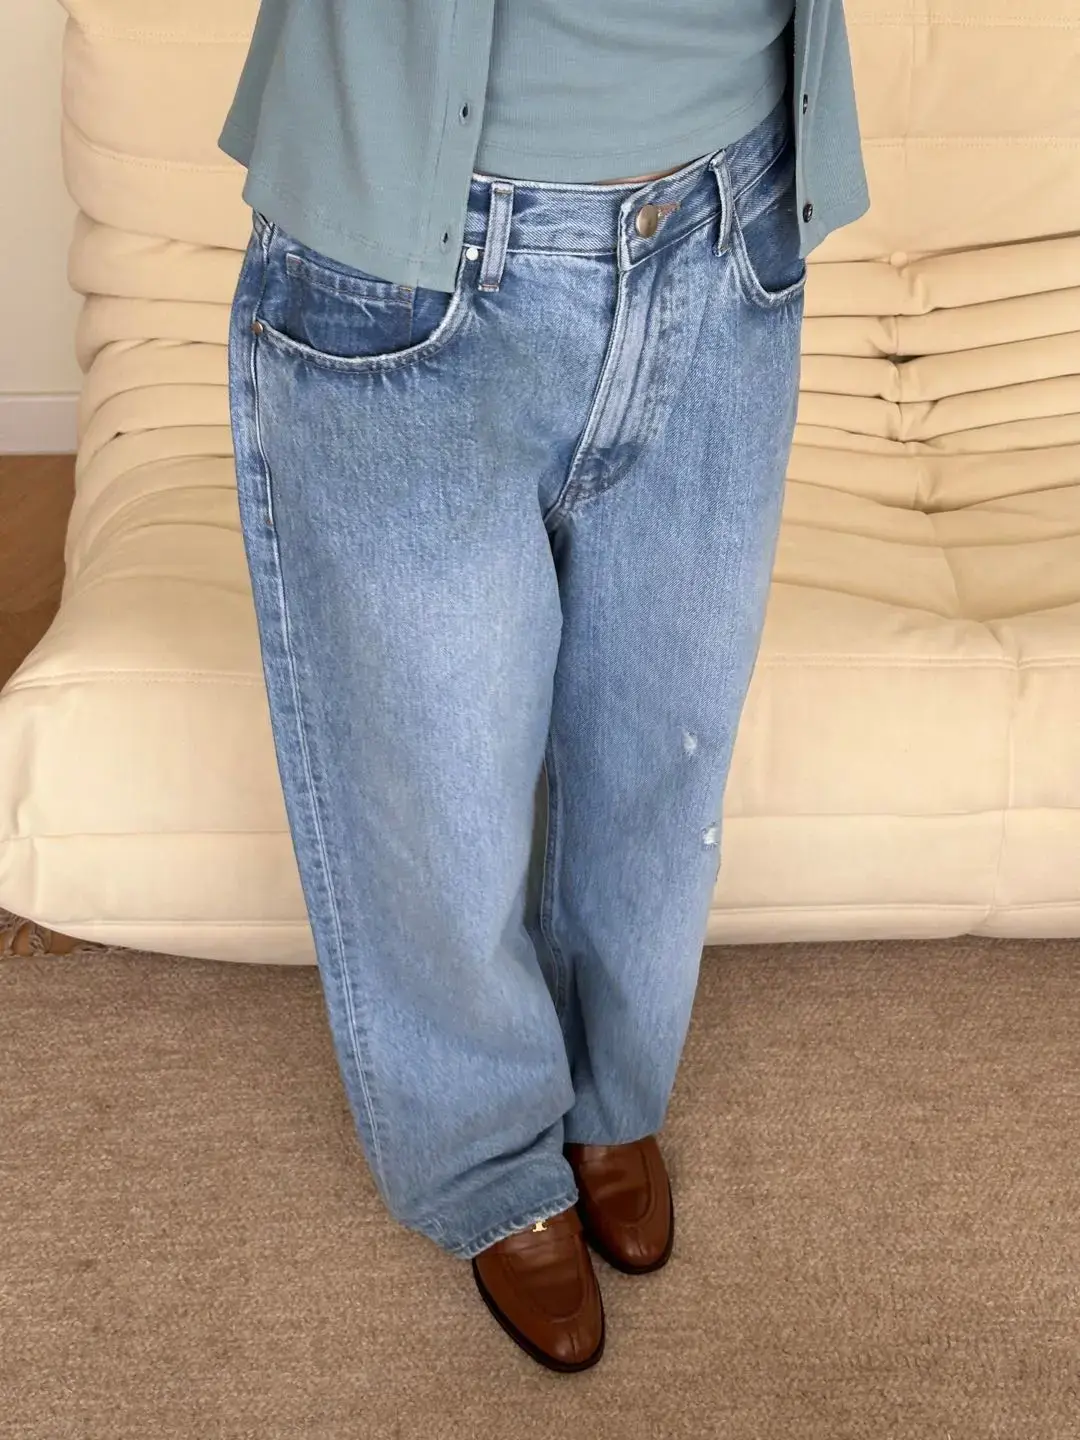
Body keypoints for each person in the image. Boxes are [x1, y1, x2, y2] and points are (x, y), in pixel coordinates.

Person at [221, 0, 868, 1374]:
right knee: (436, 788)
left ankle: (610, 1094)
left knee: (662, 750)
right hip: (420, 266)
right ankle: (489, 1153)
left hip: (726, 221)